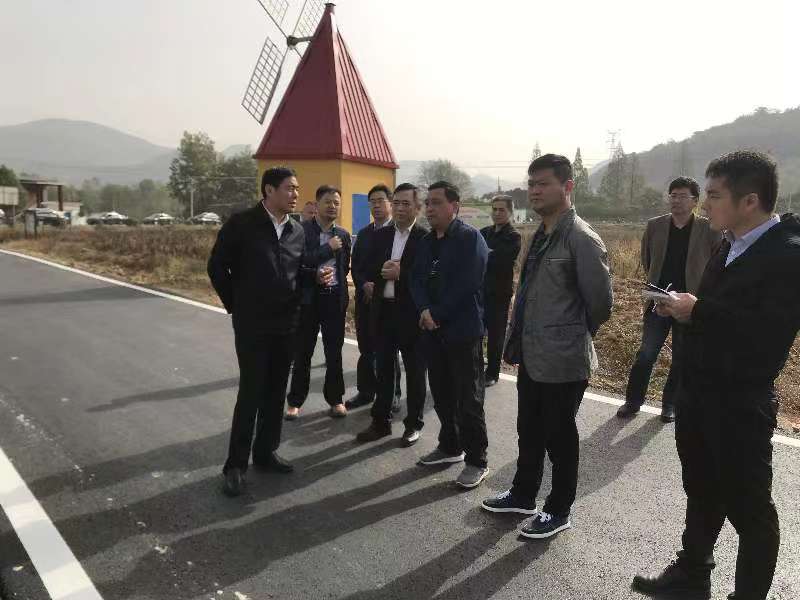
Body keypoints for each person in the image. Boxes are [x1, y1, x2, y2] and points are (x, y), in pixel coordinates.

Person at [633, 151, 800, 600]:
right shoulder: (729, 243)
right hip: (699, 392)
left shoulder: (787, 255)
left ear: (750, 201)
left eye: (713, 195)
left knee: (750, 511)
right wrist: (682, 310)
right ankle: (692, 573)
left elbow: (768, 333)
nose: (704, 205)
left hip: (739, 403)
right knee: (702, 489)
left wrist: (699, 311)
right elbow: (720, 313)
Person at [482, 154, 612, 539]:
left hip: (564, 359)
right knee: (530, 430)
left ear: (567, 186)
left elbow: (600, 305)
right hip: (532, 354)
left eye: (543, 184)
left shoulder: (581, 238)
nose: (535, 191)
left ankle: (558, 509)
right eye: (531, 184)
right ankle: (523, 495)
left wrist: (568, 335)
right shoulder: (539, 234)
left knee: (559, 437)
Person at [207, 167, 312, 497]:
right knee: (251, 392)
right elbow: (216, 266)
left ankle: (265, 453)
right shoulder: (242, 224)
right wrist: (236, 304)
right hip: (253, 325)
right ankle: (235, 465)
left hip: (287, 324)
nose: (295, 194)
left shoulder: (297, 231)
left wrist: (313, 279)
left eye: (297, 188)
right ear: (269, 190)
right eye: (289, 188)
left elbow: (298, 271)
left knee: (276, 391)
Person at [618, 177, 720, 422]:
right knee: (646, 354)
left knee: (680, 358)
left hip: (688, 304)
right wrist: (657, 287)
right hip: (659, 300)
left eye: (682, 196)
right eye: (673, 195)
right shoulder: (655, 226)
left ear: (695, 201)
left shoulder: (708, 228)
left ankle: (669, 405)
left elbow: (716, 263)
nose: (676, 200)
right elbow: (647, 259)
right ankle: (633, 402)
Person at [410, 181, 490, 489]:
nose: (429, 208)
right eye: (427, 203)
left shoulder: (470, 239)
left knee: (469, 398)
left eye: (436, 202)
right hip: (432, 330)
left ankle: (477, 459)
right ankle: (450, 446)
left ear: (454, 206)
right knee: (442, 393)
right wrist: (423, 309)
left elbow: (468, 283)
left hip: (462, 331)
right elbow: (416, 278)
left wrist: (437, 313)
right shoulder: (426, 241)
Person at [355, 183, 429, 446]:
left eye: (405, 203)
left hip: (411, 315)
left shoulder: (425, 238)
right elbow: (368, 268)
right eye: (396, 203)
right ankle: (380, 422)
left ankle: (413, 424)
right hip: (383, 311)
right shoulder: (381, 236)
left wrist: (402, 274)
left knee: (415, 372)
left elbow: (429, 278)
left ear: (417, 208)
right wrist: (380, 270)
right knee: (384, 370)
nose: (399, 208)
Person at [285, 185, 352, 419]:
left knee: (334, 354)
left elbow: (344, 269)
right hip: (308, 300)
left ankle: (336, 400)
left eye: (336, 202)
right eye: (328, 202)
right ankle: (295, 402)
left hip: (334, 300)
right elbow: (296, 264)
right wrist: (326, 250)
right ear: (317, 204)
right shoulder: (300, 231)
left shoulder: (343, 235)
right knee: (303, 353)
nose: (332, 206)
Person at [348, 184, 402, 411]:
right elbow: (356, 266)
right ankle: (366, 391)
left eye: (381, 201)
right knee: (366, 347)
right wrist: (363, 284)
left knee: (388, 350)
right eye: (372, 202)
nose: (376, 206)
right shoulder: (364, 234)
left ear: (390, 203)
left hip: (387, 301)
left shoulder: (398, 233)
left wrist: (377, 286)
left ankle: (393, 394)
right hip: (365, 299)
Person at [480, 195, 521, 387]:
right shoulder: (484, 232)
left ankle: (492, 373)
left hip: (499, 294)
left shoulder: (513, 236)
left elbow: (501, 260)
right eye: (494, 209)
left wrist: (486, 254)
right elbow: (477, 255)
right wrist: (489, 254)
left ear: (510, 212)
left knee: (496, 336)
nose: (497, 213)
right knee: (476, 333)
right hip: (480, 291)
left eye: (501, 210)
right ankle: (476, 368)